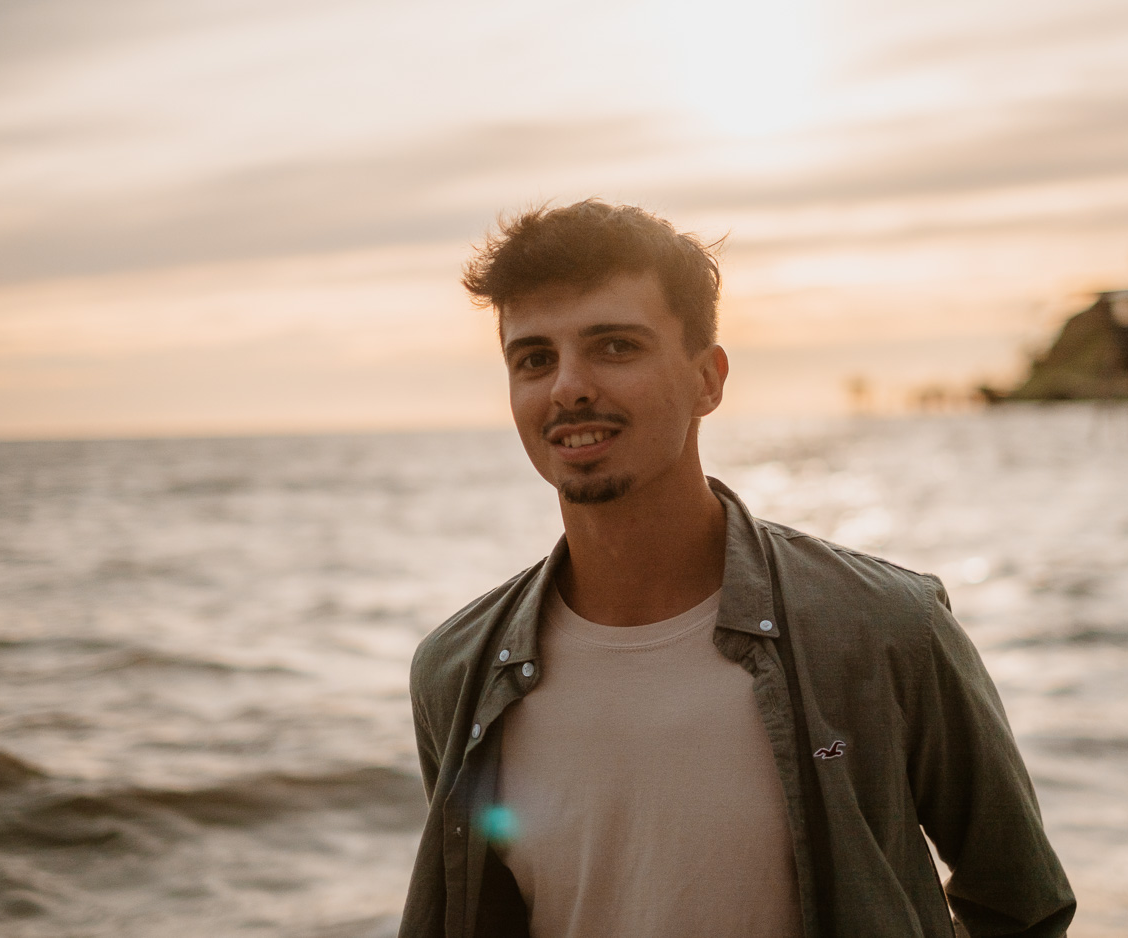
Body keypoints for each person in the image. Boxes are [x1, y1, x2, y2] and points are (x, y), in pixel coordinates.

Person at [399, 200, 1076, 938]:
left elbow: (1021, 902)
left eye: (615, 347)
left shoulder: (884, 628)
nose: (567, 387)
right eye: (534, 359)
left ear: (707, 380)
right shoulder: (457, 673)